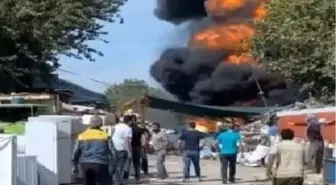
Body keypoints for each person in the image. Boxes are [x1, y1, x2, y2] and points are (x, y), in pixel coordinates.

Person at [71, 115, 115, 185]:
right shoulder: (106, 136)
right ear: (101, 124)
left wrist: (74, 165)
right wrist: (113, 166)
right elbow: (112, 152)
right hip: (102, 164)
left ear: (90, 124)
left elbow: (75, 152)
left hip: (86, 165)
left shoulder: (81, 136)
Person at [112, 115, 133, 185]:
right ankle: (117, 182)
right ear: (130, 121)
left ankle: (114, 180)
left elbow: (112, 134)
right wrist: (129, 151)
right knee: (120, 166)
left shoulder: (117, 126)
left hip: (114, 147)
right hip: (122, 148)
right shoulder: (128, 129)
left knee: (114, 164)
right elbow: (127, 141)